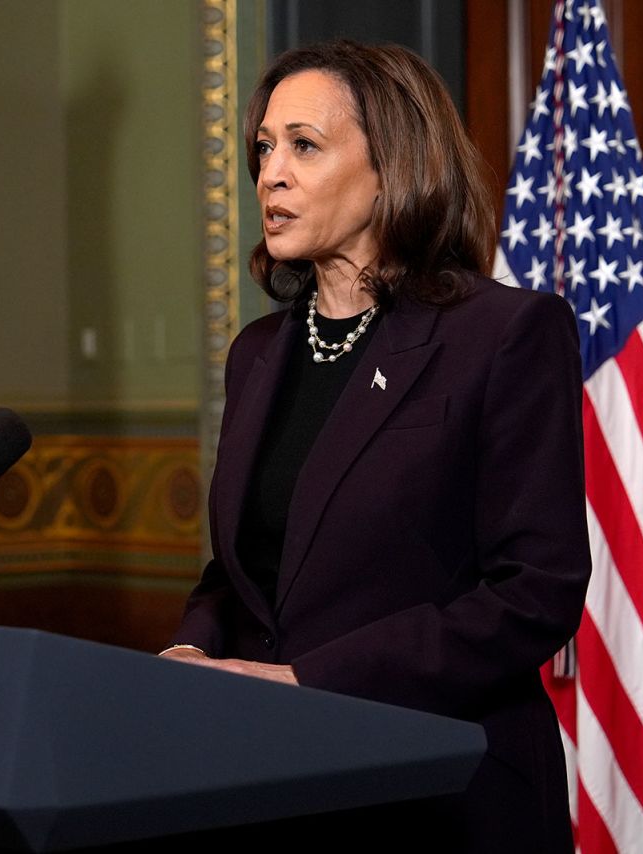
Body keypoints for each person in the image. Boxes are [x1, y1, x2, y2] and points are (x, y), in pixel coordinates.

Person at [160, 41, 591, 850]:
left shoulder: (504, 335)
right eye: (264, 148)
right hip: (275, 784)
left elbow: (535, 592)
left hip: (441, 793)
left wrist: (311, 683)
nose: (271, 174)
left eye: (304, 146)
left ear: (393, 167)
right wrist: (193, 645)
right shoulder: (257, 353)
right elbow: (245, 573)